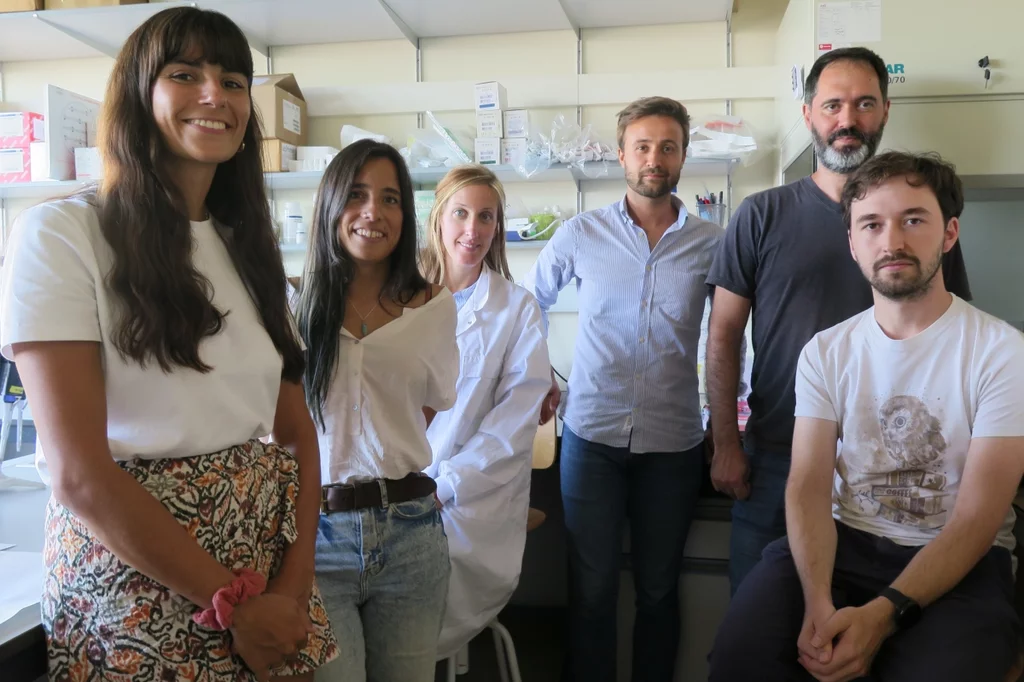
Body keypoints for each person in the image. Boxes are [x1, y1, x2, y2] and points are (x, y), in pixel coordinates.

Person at [0, 7, 337, 681]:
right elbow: (78, 473)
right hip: (138, 572)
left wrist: (291, 591)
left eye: (234, 80)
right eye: (185, 74)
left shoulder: (249, 248)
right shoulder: (63, 235)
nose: (216, 95)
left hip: (264, 564)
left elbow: (297, 432)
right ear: (137, 95)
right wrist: (235, 604)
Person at [708, 151, 1024, 682]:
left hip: (961, 558)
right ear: (853, 243)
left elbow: (977, 518)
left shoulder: (1003, 353)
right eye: (871, 225)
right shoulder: (826, 352)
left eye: (913, 220)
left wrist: (883, 616)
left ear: (948, 234)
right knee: (742, 658)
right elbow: (808, 485)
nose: (892, 241)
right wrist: (817, 604)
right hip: (843, 541)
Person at [705, 47, 973, 593]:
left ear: (885, 111)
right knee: (759, 636)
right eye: (832, 106)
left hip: (893, 470)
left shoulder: (922, 225)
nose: (847, 120)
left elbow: (954, 338)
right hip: (778, 458)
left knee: (874, 637)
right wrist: (725, 443)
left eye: (863, 104)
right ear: (809, 115)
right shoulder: (761, 215)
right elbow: (724, 334)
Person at [524, 96, 723, 682]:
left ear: (684, 155)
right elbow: (529, 303)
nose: (654, 158)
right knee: (591, 590)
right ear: (621, 155)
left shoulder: (711, 243)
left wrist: (726, 419)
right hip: (591, 437)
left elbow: (731, 333)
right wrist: (539, 377)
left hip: (674, 442)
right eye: (642, 146)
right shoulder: (581, 234)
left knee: (660, 590)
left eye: (667, 146)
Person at [294, 139, 459, 682]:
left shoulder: (432, 306)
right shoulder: (291, 304)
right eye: (358, 195)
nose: (374, 213)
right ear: (331, 204)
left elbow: (427, 407)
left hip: (410, 530)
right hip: (316, 536)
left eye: (390, 199)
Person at [419, 165, 552, 660]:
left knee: (429, 589)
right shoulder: (398, 297)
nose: (471, 230)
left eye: (486, 217)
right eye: (460, 213)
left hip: (471, 494)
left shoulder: (516, 308)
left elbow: (515, 418)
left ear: (497, 228)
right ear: (438, 218)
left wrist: (446, 484)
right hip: (394, 485)